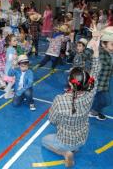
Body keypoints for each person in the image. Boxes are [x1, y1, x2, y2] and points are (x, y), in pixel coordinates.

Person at [41, 31, 101, 167]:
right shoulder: (90, 93)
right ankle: (74, 148)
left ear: (70, 83)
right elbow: (96, 71)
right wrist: (96, 48)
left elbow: (52, 120)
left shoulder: (60, 99)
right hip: (82, 138)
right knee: (72, 142)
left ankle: (65, 153)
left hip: (65, 140)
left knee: (44, 140)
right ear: (86, 82)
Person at [90, 26, 113, 120]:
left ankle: (94, 111)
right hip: (97, 83)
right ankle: (92, 110)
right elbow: (90, 51)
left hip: (104, 83)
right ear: (103, 44)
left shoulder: (110, 53)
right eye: (112, 44)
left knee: (103, 100)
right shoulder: (101, 53)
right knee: (105, 100)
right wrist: (95, 38)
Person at [4, 34, 18, 99]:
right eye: (14, 41)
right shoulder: (11, 49)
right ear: (10, 42)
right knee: (12, 81)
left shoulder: (11, 48)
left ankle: (8, 91)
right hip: (9, 69)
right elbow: (9, 58)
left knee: (11, 81)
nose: (16, 42)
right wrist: (15, 57)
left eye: (16, 40)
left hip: (9, 68)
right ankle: (6, 95)